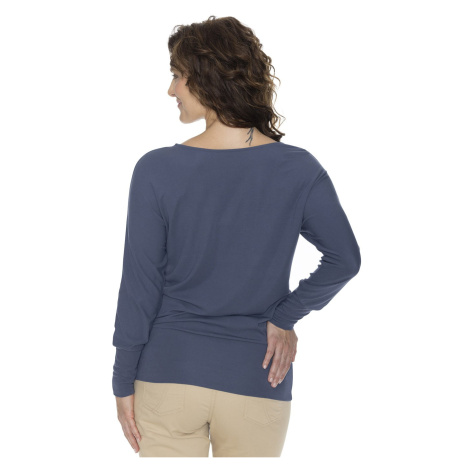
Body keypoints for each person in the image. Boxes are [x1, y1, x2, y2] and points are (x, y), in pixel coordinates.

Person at [112, 15, 361, 457]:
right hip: (257, 378)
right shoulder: (298, 169)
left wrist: (122, 379)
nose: (171, 90)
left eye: (177, 75)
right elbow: (345, 259)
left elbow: (139, 288)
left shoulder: (156, 169)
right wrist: (284, 318)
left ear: (204, 77)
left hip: (169, 374)